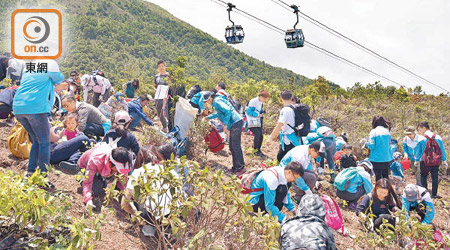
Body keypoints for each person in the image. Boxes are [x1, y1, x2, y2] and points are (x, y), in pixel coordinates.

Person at [13, 60, 66, 180]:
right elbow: (59, 79)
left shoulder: (29, 67)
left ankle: (31, 171)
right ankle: (43, 176)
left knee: (37, 140)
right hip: (36, 107)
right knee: (45, 141)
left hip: (19, 108)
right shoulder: (50, 64)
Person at [121, 144, 177, 222]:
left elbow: (124, 203)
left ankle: (146, 225)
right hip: (174, 216)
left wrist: (137, 216)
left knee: (133, 194)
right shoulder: (171, 171)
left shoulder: (139, 172)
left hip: (153, 218)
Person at [78, 144, 131, 209]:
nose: (120, 171)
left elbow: (123, 181)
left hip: (102, 171)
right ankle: (79, 174)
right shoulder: (95, 160)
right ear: (111, 164)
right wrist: (88, 200)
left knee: (103, 185)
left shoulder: (120, 160)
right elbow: (87, 182)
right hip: (85, 166)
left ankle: (102, 180)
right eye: (118, 168)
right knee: (97, 190)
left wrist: (126, 195)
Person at [205, 91, 245, 174]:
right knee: (232, 146)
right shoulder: (217, 101)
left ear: (211, 98)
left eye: (207, 101)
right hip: (235, 123)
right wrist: (209, 117)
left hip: (235, 122)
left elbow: (228, 111)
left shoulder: (216, 101)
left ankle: (241, 167)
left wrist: (225, 125)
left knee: (235, 146)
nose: (208, 103)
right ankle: (236, 167)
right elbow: (219, 113)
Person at [414, 121, 447, 198]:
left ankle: (425, 194)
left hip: (424, 161)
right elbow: (442, 150)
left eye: (420, 129)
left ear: (424, 128)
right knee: (435, 178)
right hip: (436, 161)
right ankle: (434, 194)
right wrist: (444, 160)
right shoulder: (438, 137)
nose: (420, 131)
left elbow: (418, 152)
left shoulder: (421, 138)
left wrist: (416, 160)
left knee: (423, 177)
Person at [269, 90, 300, 162]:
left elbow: (280, 125)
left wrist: (271, 138)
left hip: (288, 139)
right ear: (291, 97)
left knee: (283, 159)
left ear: (281, 98)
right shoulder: (295, 108)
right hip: (296, 138)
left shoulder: (285, 110)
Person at [367, 116, 393, 181]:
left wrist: (366, 144)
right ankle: (387, 189)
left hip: (376, 158)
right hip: (387, 157)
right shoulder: (387, 131)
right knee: (385, 176)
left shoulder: (373, 132)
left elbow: (371, 146)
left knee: (378, 177)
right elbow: (389, 144)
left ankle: (379, 190)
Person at [246, 90, 270, 157]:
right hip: (252, 121)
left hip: (258, 121)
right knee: (257, 134)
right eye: (265, 99)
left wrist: (262, 112)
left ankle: (258, 149)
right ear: (261, 96)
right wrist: (257, 115)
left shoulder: (261, 102)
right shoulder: (253, 101)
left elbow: (260, 110)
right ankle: (255, 150)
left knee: (261, 135)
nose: (265, 100)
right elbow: (249, 111)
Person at [154, 60, 171, 132]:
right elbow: (154, 86)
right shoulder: (156, 76)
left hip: (166, 97)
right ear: (158, 68)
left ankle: (170, 127)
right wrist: (156, 90)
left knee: (167, 113)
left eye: (162, 66)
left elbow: (171, 85)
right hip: (158, 96)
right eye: (159, 66)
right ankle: (164, 127)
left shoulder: (169, 75)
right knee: (159, 113)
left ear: (165, 66)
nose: (161, 68)